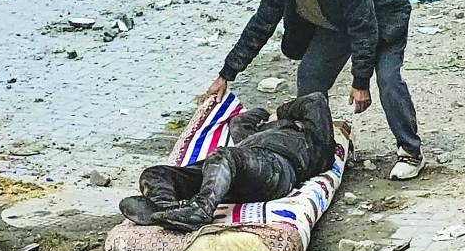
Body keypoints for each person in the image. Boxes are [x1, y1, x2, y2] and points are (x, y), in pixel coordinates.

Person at [203, 0, 424, 180]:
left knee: (388, 81)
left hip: (384, 21)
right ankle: (317, 148)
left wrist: (360, 82)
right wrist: (226, 74)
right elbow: (260, 26)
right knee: (309, 78)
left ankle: (410, 151)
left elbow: (364, 29)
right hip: (335, 24)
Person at [120, 93, 335, 232]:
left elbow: (315, 100)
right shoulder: (255, 133)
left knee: (223, 156)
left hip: (277, 169)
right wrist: (266, 117)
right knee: (155, 174)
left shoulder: (315, 140)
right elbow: (240, 120)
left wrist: (281, 113)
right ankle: (169, 210)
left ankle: (200, 210)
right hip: (231, 173)